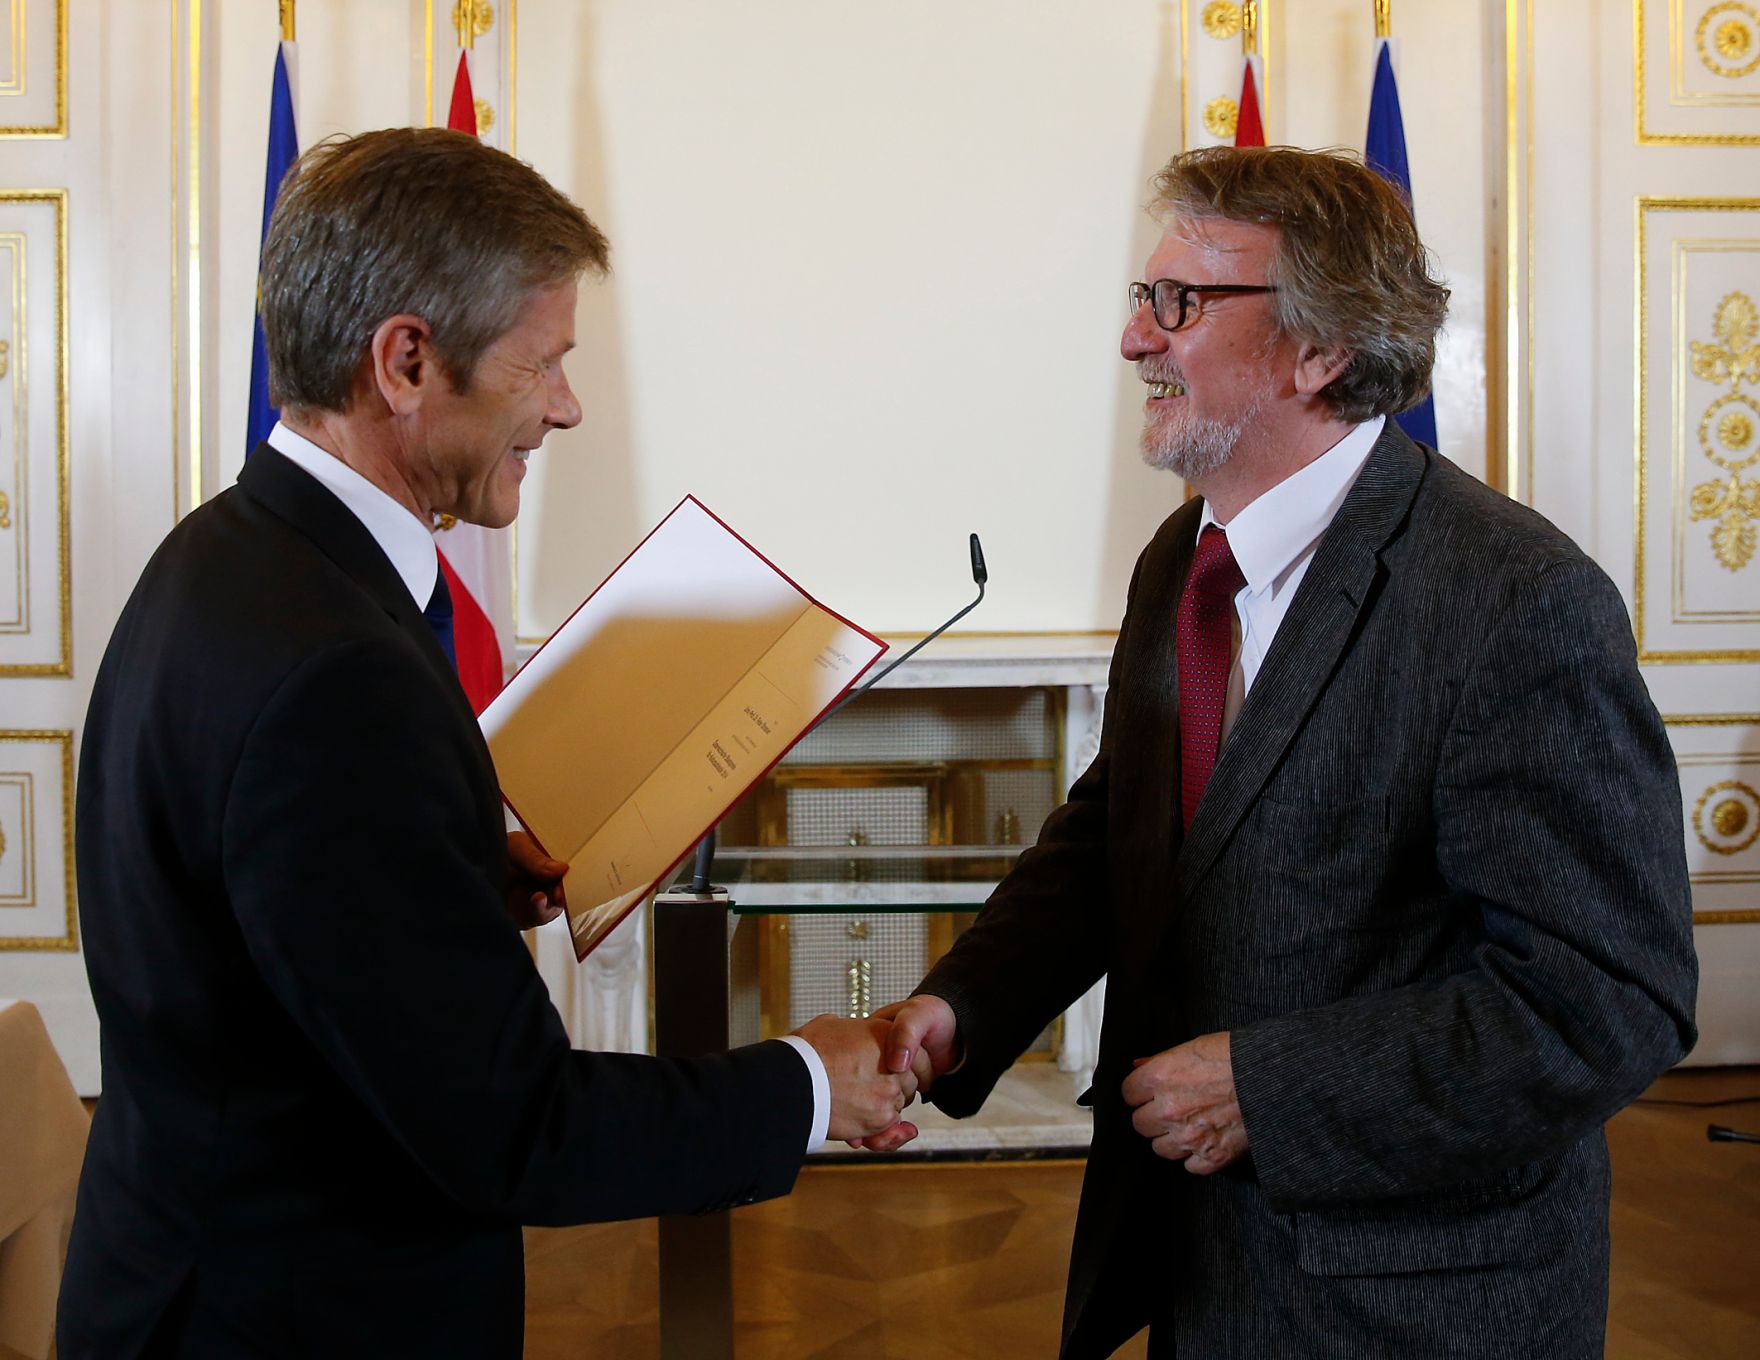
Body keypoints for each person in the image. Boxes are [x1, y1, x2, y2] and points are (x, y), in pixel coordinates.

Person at [60, 127, 921, 1358]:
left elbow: (268, 932)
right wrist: (805, 1082)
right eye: (543, 363)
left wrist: (446, 871)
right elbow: (512, 1128)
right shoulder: (335, 671)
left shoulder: (234, 552)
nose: (564, 407)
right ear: (406, 360)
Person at [870, 146, 1698, 1358]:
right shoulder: (1183, 555)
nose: (1133, 341)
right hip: (1199, 1266)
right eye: (1141, 298)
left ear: (1319, 351)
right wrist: (961, 1005)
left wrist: (1272, 1089)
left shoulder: (1514, 603)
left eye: (1180, 303)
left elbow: (1607, 998)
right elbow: (1124, 831)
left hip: (1409, 1298)